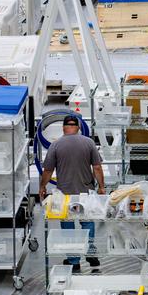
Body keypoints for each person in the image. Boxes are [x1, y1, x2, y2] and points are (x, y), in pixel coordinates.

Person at [39, 115, 105, 272]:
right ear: (79, 127)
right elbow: (97, 167)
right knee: (87, 222)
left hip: (65, 195)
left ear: (63, 127)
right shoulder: (89, 143)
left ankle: (74, 261)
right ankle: (90, 253)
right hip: (85, 193)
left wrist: (42, 187)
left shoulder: (55, 145)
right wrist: (102, 187)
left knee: (68, 227)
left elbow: (48, 170)